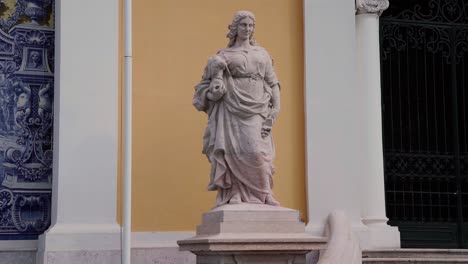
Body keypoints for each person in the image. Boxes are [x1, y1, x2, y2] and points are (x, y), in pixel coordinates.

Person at [193, 11, 281, 207]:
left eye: (251, 25)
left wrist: (276, 109)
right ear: (235, 28)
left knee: (257, 151)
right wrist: (214, 92)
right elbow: (205, 88)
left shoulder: (262, 54)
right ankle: (234, 192)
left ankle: (265, 193)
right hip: (230, 109)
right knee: (233, 152)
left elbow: (273, 82)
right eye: (243, 25)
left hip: (256, 108)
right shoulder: (222, 56)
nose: (247, 29)